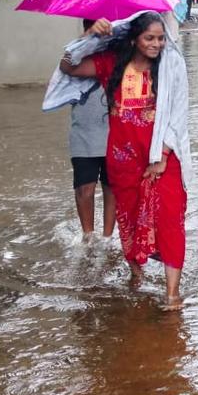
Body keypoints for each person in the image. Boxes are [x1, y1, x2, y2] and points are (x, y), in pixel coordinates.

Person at [60, 13, 192, 310]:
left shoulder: (171, 66)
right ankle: (137, 275)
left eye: (160, 38)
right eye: (149, 38)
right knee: (130, 220)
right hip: (123, 159)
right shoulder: (111, 64)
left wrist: (164, 155)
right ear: (134, 39)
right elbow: (68, 65)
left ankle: (172, 293)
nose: (157, 44)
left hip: (163, 157)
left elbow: (180, 113)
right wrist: (90, 36)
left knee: (171, 220)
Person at [69, 19, 115, 240]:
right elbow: (65, 67)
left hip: (114, 131)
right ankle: (88, 236)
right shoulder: (76, 51)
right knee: (84, 189)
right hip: (83, 131)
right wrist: (85, 39)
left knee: (111, 187)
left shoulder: (118, 53)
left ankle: (107, 238)